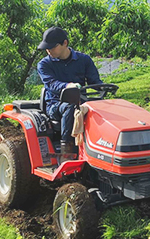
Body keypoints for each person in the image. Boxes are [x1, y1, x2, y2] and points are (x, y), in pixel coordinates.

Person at [36, 27, 101, 156]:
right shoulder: (44, 64)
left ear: (65, 43)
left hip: (81, 101)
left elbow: (95, 82)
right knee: (70, 107)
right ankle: (67, 151)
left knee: (101, 109)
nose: (48, 50)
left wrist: (104, 89)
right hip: (55, 105)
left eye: (52, 47)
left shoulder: (84, 60)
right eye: (46, 47)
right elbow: (51, 84)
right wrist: (68, 86)